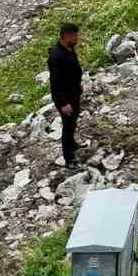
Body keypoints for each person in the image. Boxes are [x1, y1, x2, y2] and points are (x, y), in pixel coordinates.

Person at [47, 22, 84, 171]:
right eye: (74, 35)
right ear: (66, 36)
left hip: (74, 93)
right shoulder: (56, 57)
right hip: (65, 99)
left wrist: (78, 84)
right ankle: (69, 158)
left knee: (73, 122)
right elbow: (55, 84)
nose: (77, 38)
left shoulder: (69, 48)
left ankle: (73, 144)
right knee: (67, 127)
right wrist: (63, 104)